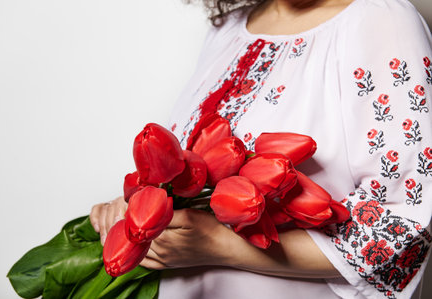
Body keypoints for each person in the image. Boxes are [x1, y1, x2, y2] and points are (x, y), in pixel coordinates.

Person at [90, 0, 432, 298]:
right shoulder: (227, 31)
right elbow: (186, 170)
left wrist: (221, 246)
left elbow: (403, 224)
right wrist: (134, 210)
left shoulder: (381, 21)